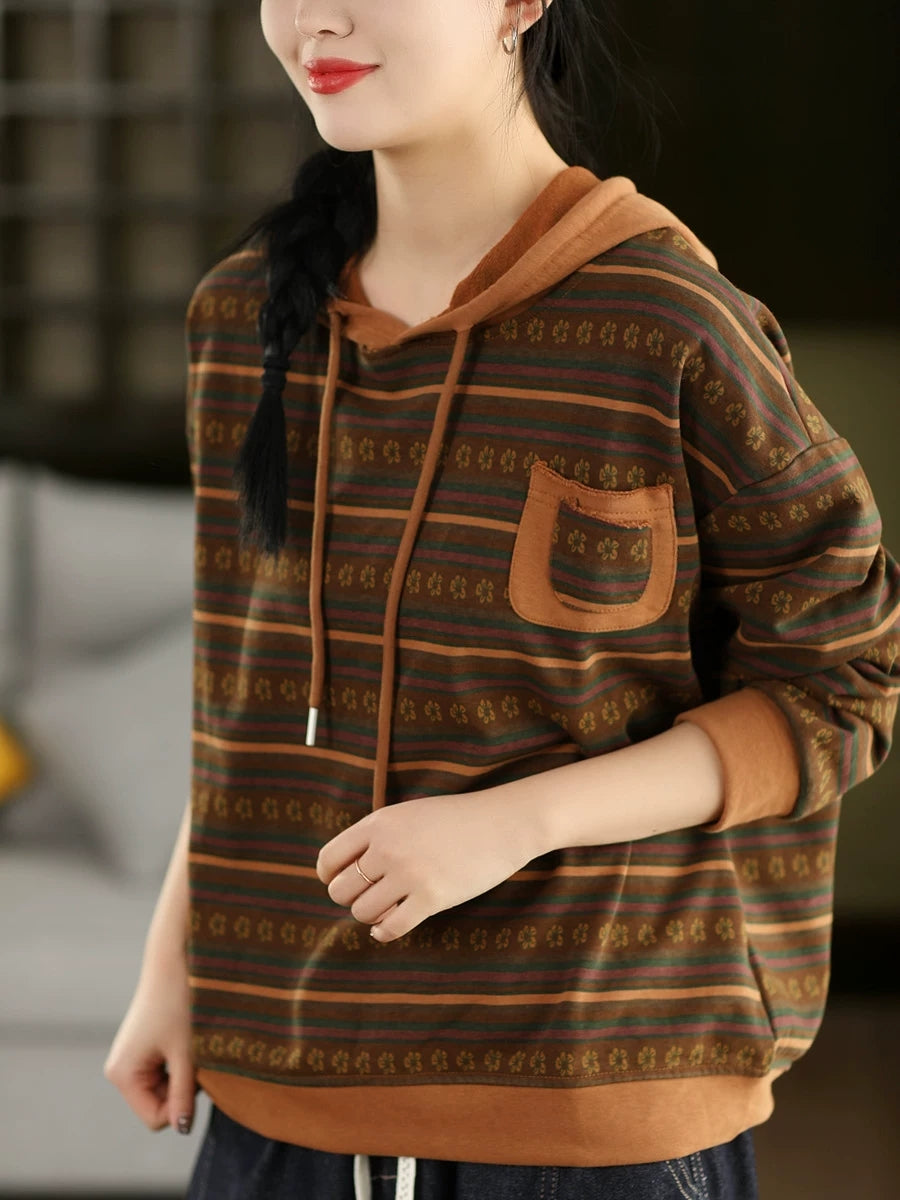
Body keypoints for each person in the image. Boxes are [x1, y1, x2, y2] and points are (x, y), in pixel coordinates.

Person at [103, 2, 900, 1198]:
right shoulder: (246, 320)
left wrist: (511, 823)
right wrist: (173, 969)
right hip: (276, 1101)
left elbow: (844, 684)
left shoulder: (668, 327)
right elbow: (245, 700)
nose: (318, 18)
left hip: (594, 1117)